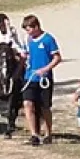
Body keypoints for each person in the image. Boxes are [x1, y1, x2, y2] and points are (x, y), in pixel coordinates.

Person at [20, 15, 62, 146]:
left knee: (45, 107)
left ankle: (48, 133)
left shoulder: (48, 39)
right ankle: (34, 135)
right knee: (27, 104)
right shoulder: (28, 40)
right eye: (26, 30)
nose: (28, 32)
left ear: (36, 27)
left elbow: (57, 58)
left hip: (44, 79)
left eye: (29, 29)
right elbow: (27, 54)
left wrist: (45, 69)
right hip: (30, 77)